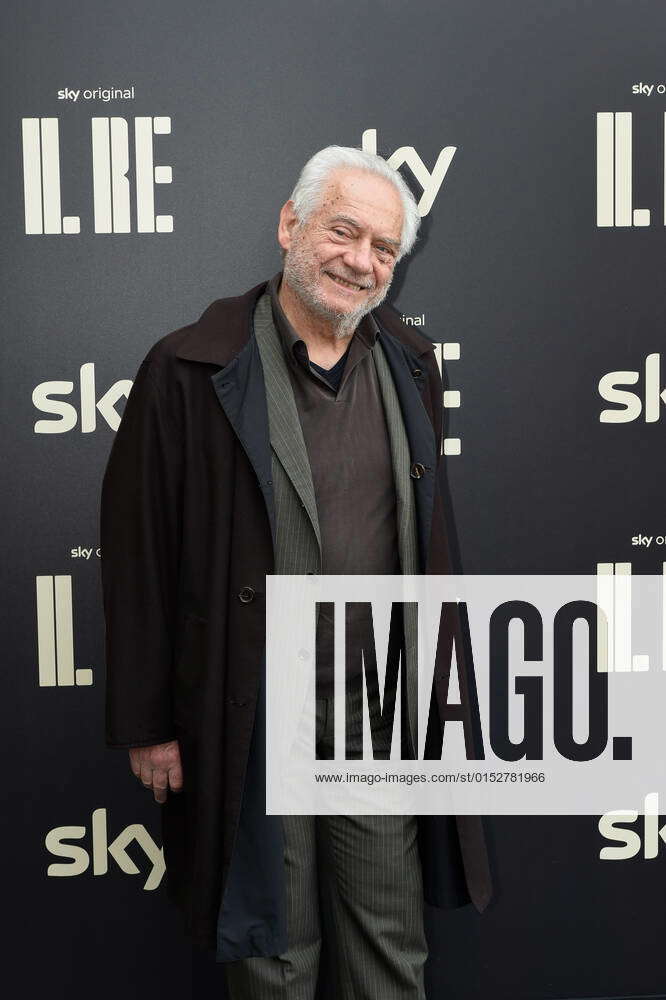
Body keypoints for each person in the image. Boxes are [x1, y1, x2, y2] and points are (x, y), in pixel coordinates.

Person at [100, 145, 492, 999]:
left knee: (390, 942)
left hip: (378, 707)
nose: (361, 260)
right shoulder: (187, 369)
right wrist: (148, 720)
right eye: (343, 232)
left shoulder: (413, 365)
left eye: (384, 248)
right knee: (274, 954)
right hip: (251, 705)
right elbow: (137, 552)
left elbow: (426, 540)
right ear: (291, 224)